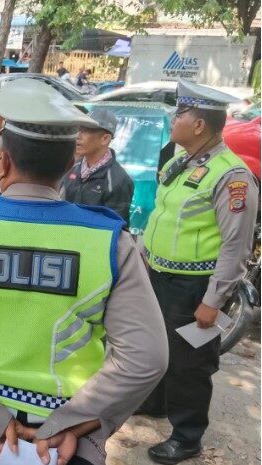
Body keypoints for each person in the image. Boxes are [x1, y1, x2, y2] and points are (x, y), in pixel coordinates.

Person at [0, 79, 169, 465]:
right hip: (65, 443)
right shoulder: (111, 243)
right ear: (68, 165)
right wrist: (71, 423)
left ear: (3, 161)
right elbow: (146, 359)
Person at [140, 80, 258, 465]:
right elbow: (164, 215)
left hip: (197, 287)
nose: (173, 120)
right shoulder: (181, 161)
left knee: (190, 363)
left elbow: (236, 245)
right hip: (160, 277)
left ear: (199, 125)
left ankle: (187, 436)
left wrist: (214, 300)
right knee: (160, 348)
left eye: (180, 114)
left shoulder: (232, 176)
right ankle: (156, 403)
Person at [61, 109, 134, 223]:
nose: (78, 136)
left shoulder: (118, 180)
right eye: (78, 130)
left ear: (105, 139)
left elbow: (116, 228)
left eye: (85, 131)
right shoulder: (72, 167)